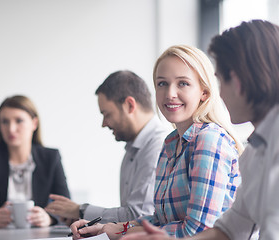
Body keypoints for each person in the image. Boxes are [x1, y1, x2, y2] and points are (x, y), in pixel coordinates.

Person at [69, 45, 244, 239]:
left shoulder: (208, 140)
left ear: (204, 92)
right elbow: (160, 220)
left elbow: (198, 231)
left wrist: (119, 232)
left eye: (183, 83)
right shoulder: (171, 143)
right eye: (162, 84)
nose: (170, 93)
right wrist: (106, 227)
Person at [128, 19, 279, 240]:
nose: (220, 95)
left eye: (220, 82)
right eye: (162, 83)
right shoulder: (257, 150)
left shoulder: (215, 139)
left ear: (237, 81)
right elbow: (230, 229)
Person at [45, 70, 170, 224]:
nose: (104, 123)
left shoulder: (158, 147)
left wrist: (81, 210)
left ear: (129, 105)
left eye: (107, 114)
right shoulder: (134, 149)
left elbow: (139, 216)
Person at [0, 95, 70, 228]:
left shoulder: (51, 157)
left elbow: (67, 209)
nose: (11, 129)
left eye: (19, 120)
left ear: (34, 123)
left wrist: (49, 218)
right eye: (5, 122)